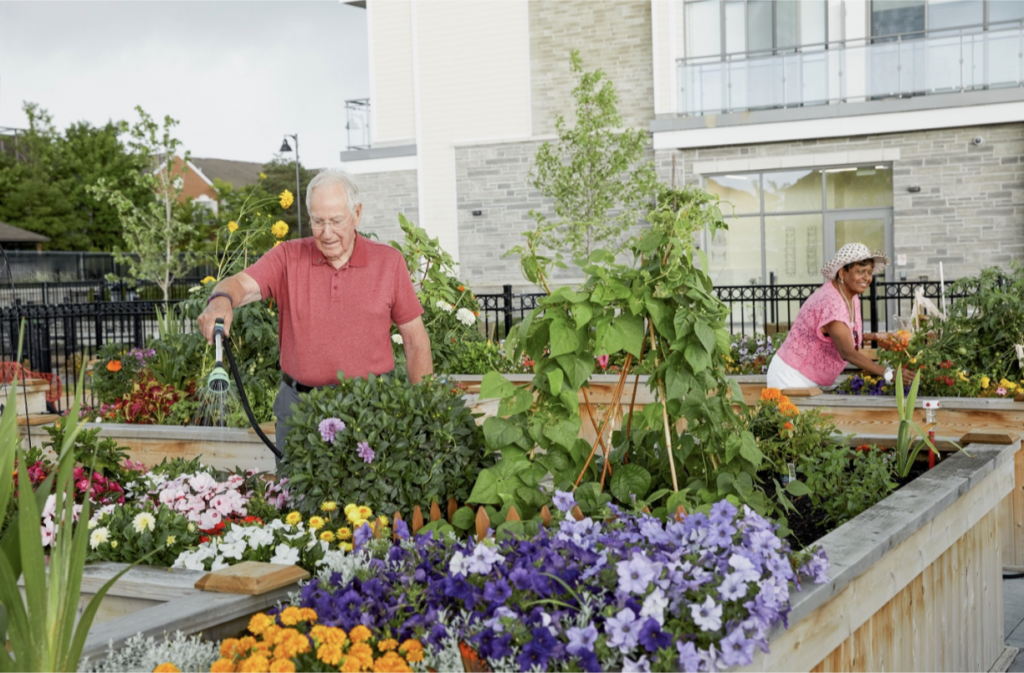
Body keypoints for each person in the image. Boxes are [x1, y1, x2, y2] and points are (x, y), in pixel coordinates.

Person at [198, 169, 433, 454]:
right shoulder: (287, 257)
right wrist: (221, 299)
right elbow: (241, 284)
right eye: (318, 221)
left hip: (370, 407)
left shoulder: (389, 262)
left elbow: (415, 341)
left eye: (336, 221)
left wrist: (423, 410)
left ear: (357, 214)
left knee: (367, 498)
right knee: (296, 496)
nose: (327, 232)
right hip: (300, 409)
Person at [767, 243, 896, 390]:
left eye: (870, 272)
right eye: (861, 271)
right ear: (842, 273)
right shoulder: (831, 302)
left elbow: (845, 332)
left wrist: (875, 337)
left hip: (808, 378)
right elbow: (847, 352)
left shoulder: (850, 296)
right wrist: (889, 374)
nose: (867, 278)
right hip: (790, 376)